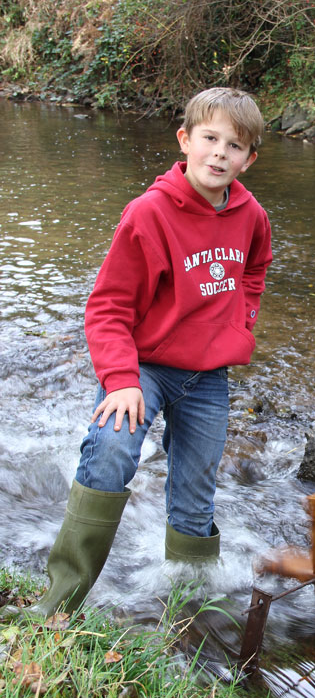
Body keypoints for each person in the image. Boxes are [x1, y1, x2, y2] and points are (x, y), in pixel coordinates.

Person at [3, 86, 272, 620]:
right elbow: (107, 308)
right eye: (210, 139)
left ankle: (189, 616)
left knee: (196, 490)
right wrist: (122, 379)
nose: (220, 153)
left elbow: (254, 271)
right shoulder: (148, 213)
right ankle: (60, 604)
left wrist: (240, 323)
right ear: (185, 140)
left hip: (207, 376)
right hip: (143, 368)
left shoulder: (251, 217)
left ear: (250, 158)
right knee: (112, 450)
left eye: (234, 145)